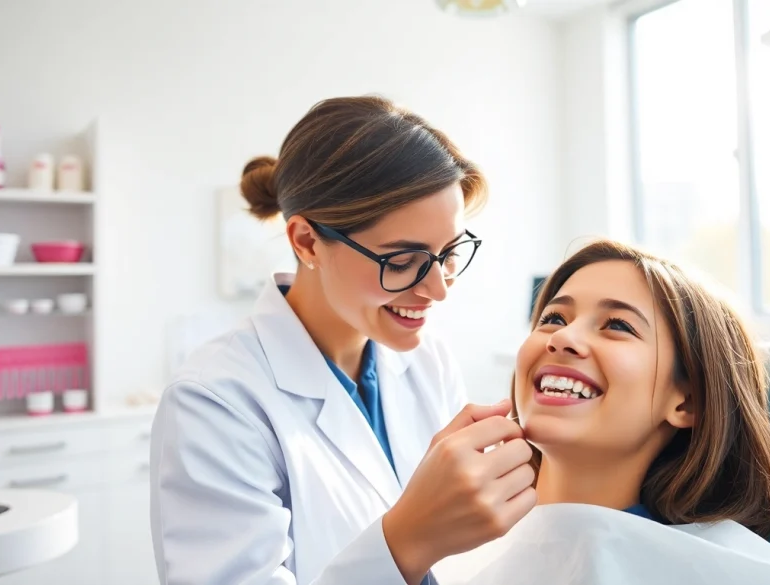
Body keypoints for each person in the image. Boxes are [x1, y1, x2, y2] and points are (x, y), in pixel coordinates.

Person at [149, 96, 536, 585]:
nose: (437, 288)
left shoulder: (427, 358)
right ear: (307, 242)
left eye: (449, 252)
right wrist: (409, 541)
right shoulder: (215, 400)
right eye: (400, 260)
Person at [510, 238, 770, 535]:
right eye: (553, 318)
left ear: (687, 402)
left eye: (617, 325)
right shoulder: (462, 524)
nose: (562, 337)